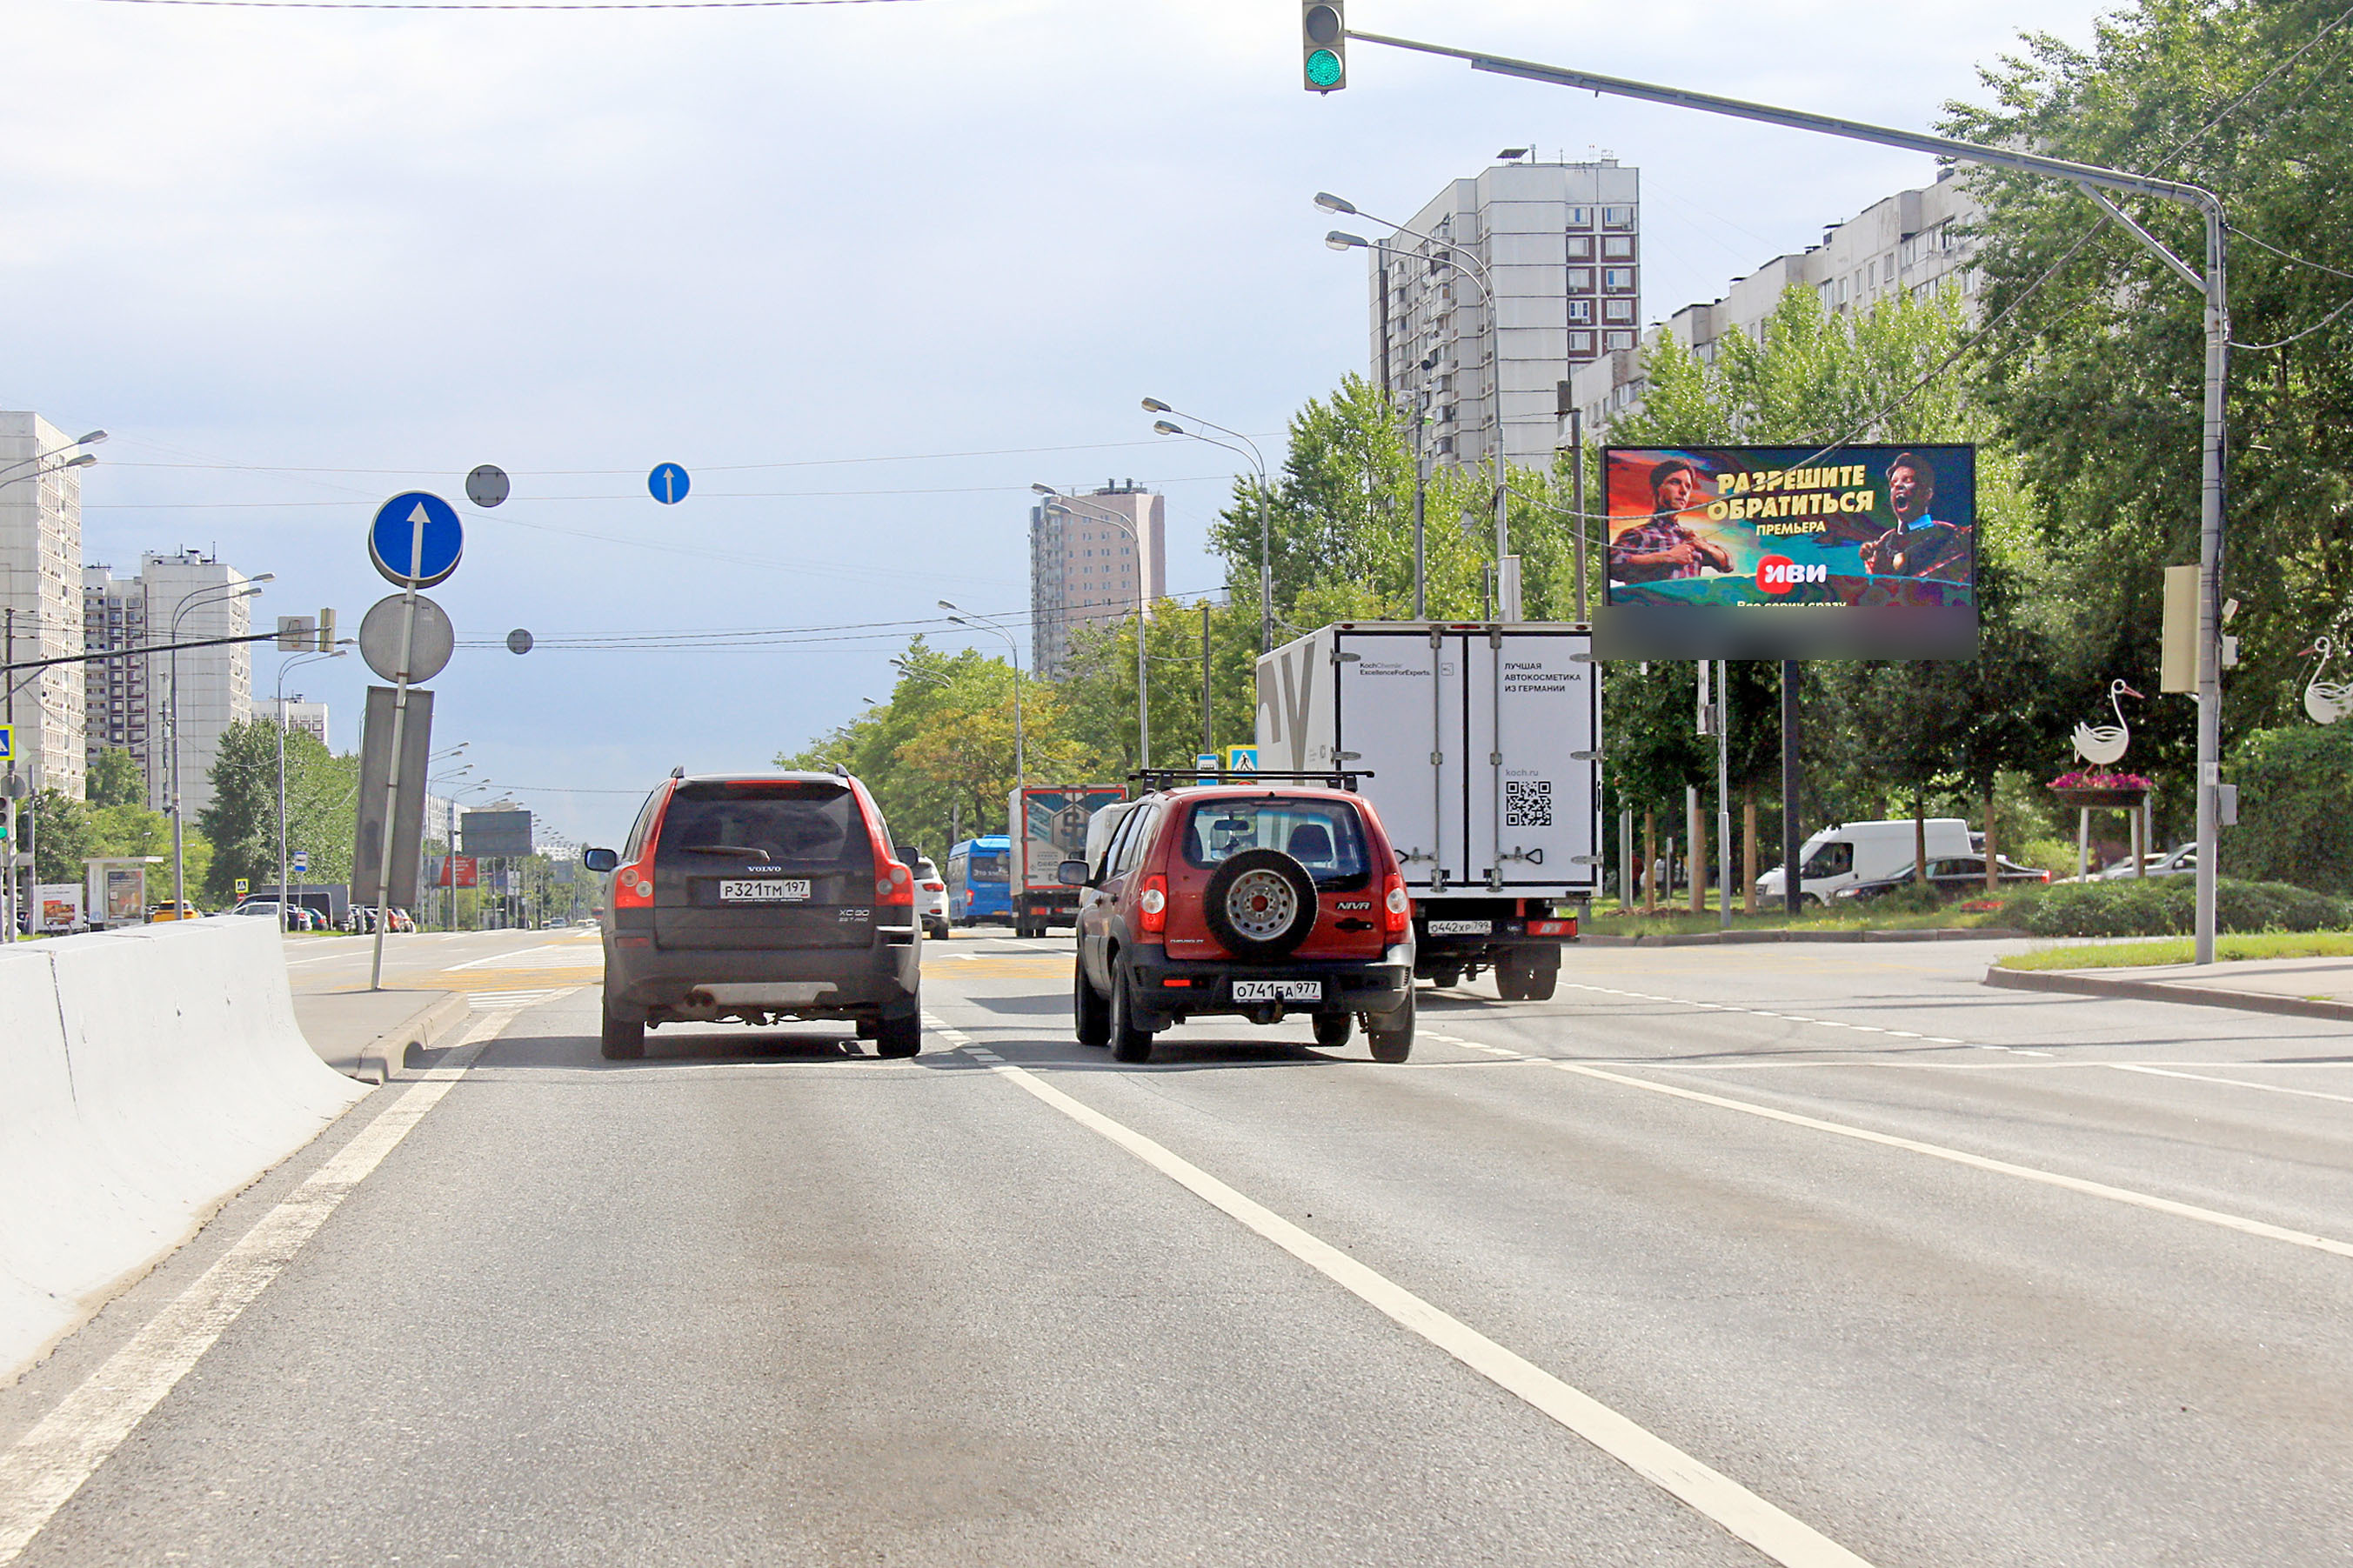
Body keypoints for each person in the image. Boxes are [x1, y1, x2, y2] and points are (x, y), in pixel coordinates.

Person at [1609, 458, 1733, 583]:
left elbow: (1727, 564)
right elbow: (1612, 564)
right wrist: (1666, 557)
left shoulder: (1689, 538)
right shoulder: (1640, 534)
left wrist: (1703, 545)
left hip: (1690, 601)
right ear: (1657, 488)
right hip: (1653, 601)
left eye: (1688, 486)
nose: (1684, 491)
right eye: (1675, 482)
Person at [1859, 451, 1971, 584]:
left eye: (1907, 480)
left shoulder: (1952, 535)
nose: (1898, 486)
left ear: (1927, 493)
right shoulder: (1883, 543)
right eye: (1893, 483)